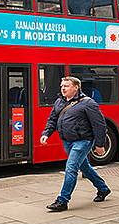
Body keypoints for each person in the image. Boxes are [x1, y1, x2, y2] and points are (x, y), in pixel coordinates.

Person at [40, 76, 111, 212]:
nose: (63, 88)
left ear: (76, 87)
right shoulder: (59, 102)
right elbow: (52, 119)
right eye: (62, 86)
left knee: (71, 168)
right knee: (85, 167)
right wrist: (46, 133)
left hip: (83, 141)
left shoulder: (88, 103)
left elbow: (100, 125)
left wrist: (100, 145)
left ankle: (62, 200)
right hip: (67, 141)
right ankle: (103, 188)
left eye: (66, 86)